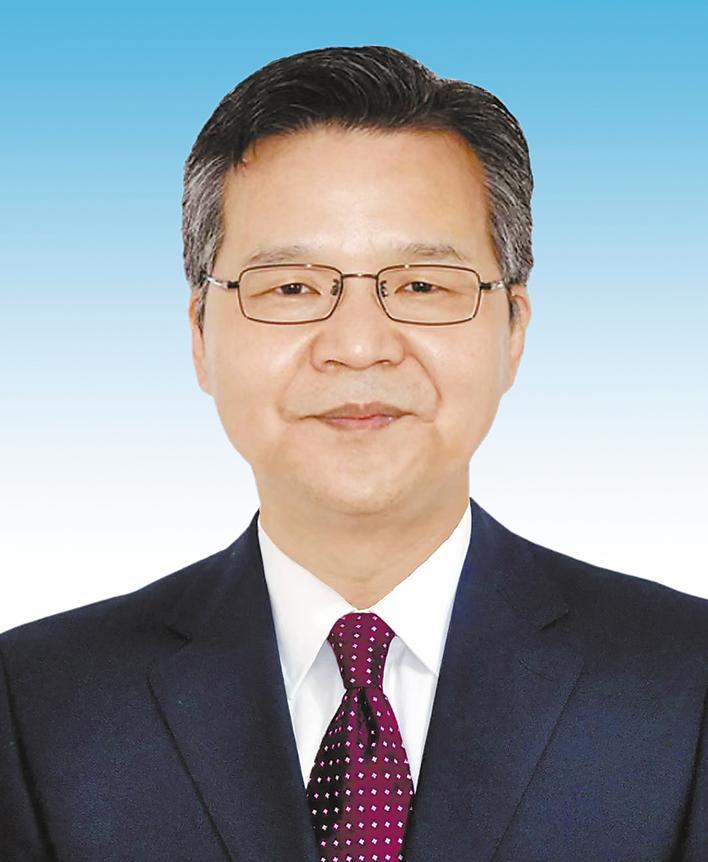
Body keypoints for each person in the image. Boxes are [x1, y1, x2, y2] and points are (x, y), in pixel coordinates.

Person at [1, 44, 706, 862]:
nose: (359, 345)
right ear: (200, 334)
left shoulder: (684, 683)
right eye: (292, 288)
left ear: (514, 328)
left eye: (421, 285)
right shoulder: (37, 703)